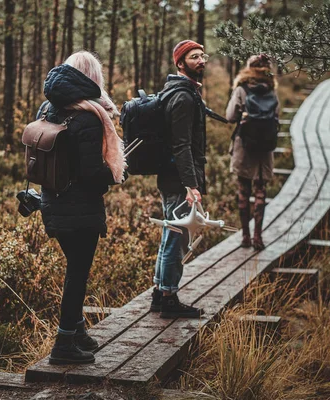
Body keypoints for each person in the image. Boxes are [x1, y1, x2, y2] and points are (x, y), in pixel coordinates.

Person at [37, 51, 125, 364]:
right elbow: (90, 174)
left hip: (52, 202)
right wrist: (113, 175)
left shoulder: (48, 107)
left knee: (75, 267)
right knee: (77, 273)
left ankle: (78, 332)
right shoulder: (89, 117)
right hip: (79, 210)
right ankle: (63, 346)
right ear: (93, 79)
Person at [150, 40, 208, 319]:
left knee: (169, 233)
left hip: (172, 177)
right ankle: (169, 297)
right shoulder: (183, 97)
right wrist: (192, 185)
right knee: (177, 237)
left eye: (202, 55)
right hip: (179, 180)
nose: (201, 60)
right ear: (180, 63)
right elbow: (181, 145)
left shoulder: (180, 92)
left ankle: (159, 293)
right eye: (194, 57)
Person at [225, 54, 279, 250]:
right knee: (260, 192)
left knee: (243, 191)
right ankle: (258, 237)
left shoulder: (241, 89)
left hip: (244, 145)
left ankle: (245, 237)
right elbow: (277, 116)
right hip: (264, 149)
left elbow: (230, 117)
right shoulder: (272, 91)